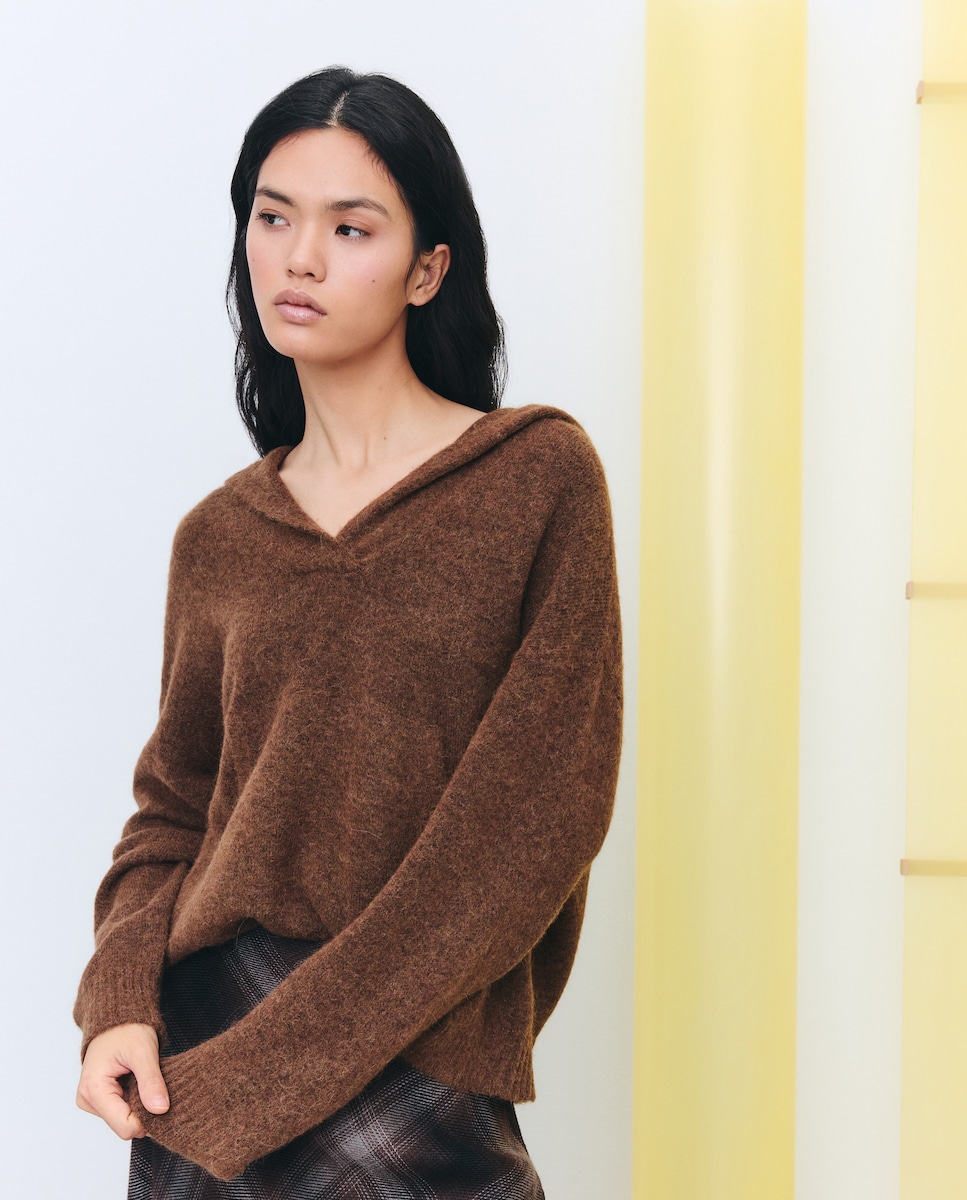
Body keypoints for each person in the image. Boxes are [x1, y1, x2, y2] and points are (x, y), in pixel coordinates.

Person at [74, 66, 623, 1198]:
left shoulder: (534, 478)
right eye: (272, 217)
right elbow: (173, 812)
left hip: (415, 1050)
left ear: (429, 269)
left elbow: (529, 828)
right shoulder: (219, 536)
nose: (300, 259)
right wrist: (117, 1003)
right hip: (206, 1037)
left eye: (350, 227)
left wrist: (272, 1071)